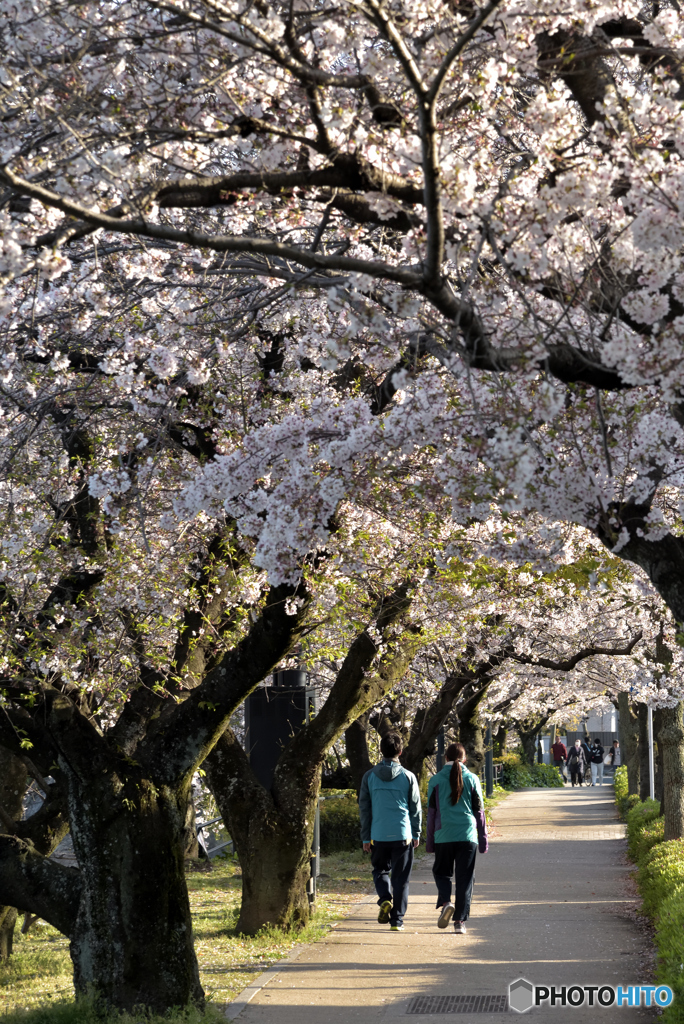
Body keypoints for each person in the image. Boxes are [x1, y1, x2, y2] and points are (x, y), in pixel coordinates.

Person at [359, 731, 422, 932]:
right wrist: (416, 833)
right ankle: (397, 921)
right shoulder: (408, 777)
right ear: (400, 752)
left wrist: (365, 836)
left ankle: (385, 899)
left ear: (380, 750)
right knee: (401, 879)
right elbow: (415, 808)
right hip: (402, 834)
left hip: (378, 834)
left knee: (380, 870)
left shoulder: (369, 777)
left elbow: (364, 808)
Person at [426, 742, 488, 935]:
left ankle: (446, 902)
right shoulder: (473, 779)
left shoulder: (435, 781)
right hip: (467, 835)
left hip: (444, 835)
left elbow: (431, 814)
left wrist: (429, 842)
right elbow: (479, 812)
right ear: (464, 759)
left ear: (445, 758)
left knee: (441, 872)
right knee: (465, 879)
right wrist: (483, 839)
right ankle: (459, 922)